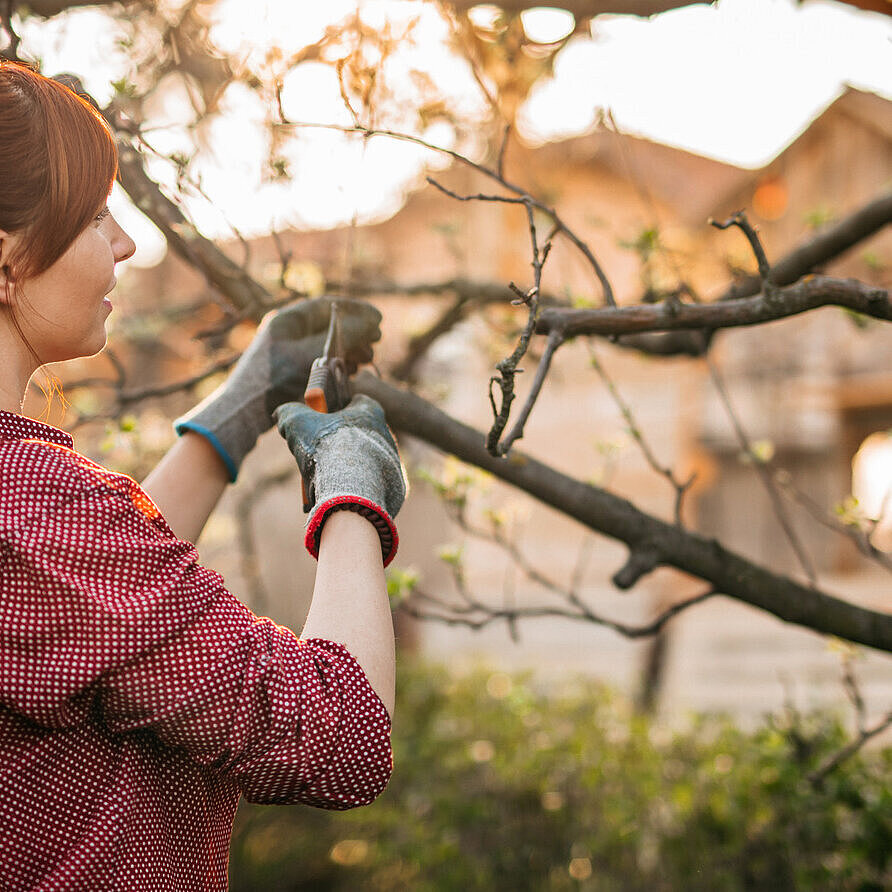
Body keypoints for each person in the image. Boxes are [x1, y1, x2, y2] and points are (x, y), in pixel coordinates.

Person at [0, 60, 405, 891]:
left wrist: (238, 409)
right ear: (6, 256)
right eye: (96, 214)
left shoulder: (37, 521)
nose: (125, 242)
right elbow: (340, 737)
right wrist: (354, 493)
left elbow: (95, 621)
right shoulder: (39, 507)